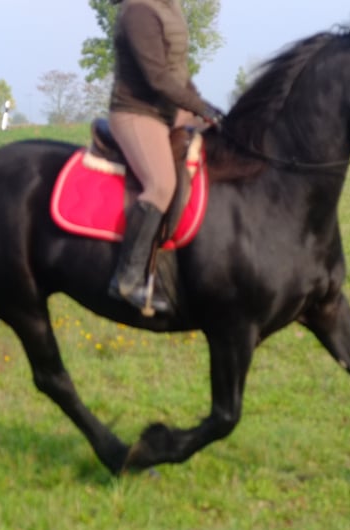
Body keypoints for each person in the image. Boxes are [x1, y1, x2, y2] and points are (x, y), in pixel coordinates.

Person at [107, 0, 223, 313]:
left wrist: (203, 105)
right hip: (137, 112)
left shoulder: (169, 6)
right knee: (160, 184)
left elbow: (178, 74)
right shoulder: (138, 11)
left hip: (170, 110)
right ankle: (128, 278)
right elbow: (157, 77)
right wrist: (201, 108)